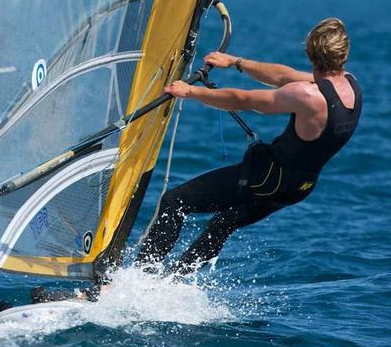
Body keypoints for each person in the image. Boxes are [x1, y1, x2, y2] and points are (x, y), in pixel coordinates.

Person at [136, 17, 361, 274]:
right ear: (343, 54)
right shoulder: (350, 85)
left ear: (310, 52)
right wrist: (236, 62)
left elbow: (243, 99)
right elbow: (283, 76)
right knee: (223, 224)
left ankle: (140, 275)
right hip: (298, 188)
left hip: (267, 179)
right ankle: (171, 280)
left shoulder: (309, 96)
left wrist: (190, 92)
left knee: (174, 202)